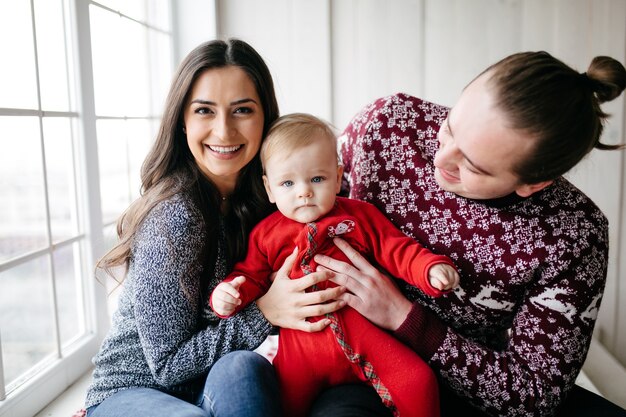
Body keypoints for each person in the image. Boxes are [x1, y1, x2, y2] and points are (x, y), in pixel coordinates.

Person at [308, 51, 626, 417]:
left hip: (470, 382)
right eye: (451, 127)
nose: (440, 160)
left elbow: (534, 393)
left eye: (472, 166)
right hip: (355, 362)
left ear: (533, 183)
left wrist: (402, 317)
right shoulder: (387, 125)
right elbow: (299, 209)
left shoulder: (574, 233)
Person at [81, 39, 346, 417]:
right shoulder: (175, 217)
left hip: (211, 383)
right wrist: (265, 312)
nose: (224, 131)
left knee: (246, 368)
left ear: (264, 117)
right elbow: (168, 367)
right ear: (183, 120)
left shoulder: (275, 198)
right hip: (133, 389)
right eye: (205, 110)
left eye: (242, 110)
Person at [210, 113, 461, 417]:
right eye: (287, 183)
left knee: (419, 382)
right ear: (269, 189)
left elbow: (396, 248)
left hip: (365, 335)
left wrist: (428, 269)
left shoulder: (359, 216)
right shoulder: (266, 234)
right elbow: (250, 276)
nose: (304, 191)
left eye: (317, 178)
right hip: (302, 350)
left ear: (339, 176)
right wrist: (229, 293)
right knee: (281, 403)